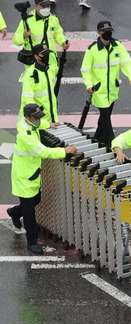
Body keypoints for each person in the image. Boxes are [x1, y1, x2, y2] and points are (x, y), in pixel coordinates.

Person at [8, 104, 77, 254]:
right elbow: (44, 152)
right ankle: (31, 242)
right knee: (29, 213)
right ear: (28, 117)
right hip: (24, 177)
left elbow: (38, 125)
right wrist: (64, 151)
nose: (39, 120)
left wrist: (49, 124)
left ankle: (14, 212)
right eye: (36, 118)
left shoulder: (30, 125)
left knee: (36, 199)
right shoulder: (25, 135)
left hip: (31, 174)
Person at [81, 20, 131, 147]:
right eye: (105, 32)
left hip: (112, 89)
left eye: (109, 32)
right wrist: (88, 85)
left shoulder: (118, 45)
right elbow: (85, 70)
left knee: (105, 116)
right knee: (105, 116)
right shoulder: (92, 50)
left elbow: (126, 62)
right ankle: (111, 141)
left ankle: (97, 138)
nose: (107, 34)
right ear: (99, 33)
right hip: (99, 91)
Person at [20, 44, 60, 126]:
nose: (47, 56)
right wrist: (45, 124)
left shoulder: (50, 70)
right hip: (38, 121)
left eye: (47, 53)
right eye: (43, 54)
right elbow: (27, 101)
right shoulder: (30, 75)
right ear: (36, 56)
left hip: (52, 118)